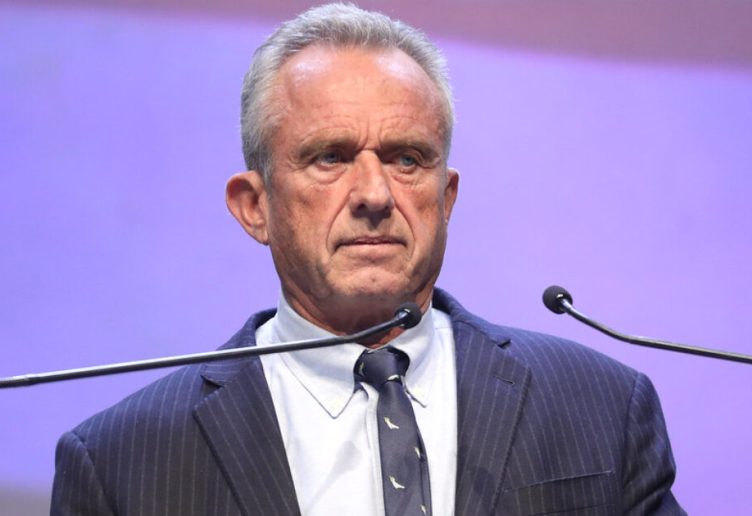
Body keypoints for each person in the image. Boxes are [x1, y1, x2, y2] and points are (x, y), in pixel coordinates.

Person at [51, 3, 685, 515]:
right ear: (255, 206)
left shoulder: (601, 406)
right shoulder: (120, 462)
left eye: (407, 159)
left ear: (446, 198)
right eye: (329, 157)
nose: (375, 195)